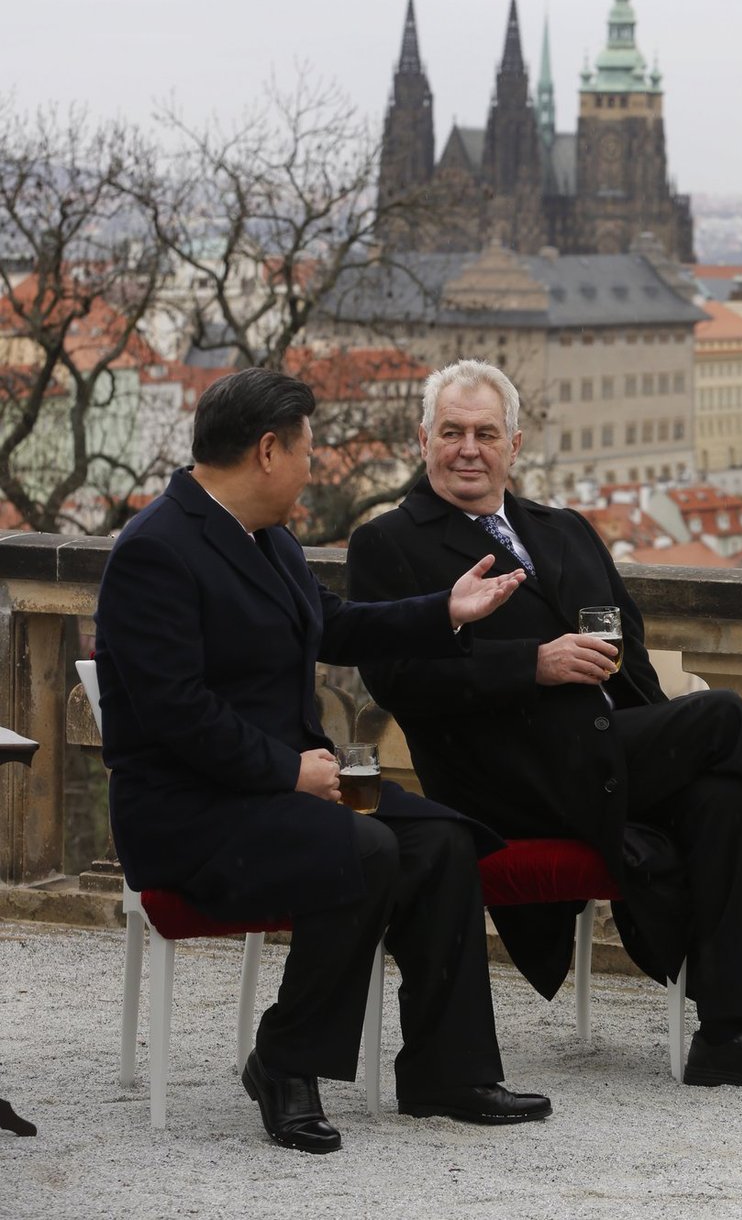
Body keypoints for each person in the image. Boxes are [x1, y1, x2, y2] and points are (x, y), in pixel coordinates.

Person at [347, 359, 742, 1100]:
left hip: (599, 753)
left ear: (515, 443)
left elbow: (629, 657)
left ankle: (726, 1034)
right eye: (451, 432)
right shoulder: (389, 544)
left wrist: (655, 746)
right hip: (500, 777)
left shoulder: (564, 530)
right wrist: (531, 663)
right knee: (727, 716)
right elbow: (398, 681)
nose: (468, 448)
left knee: (721, 796)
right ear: (423, 440)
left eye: (484, 432)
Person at [95, 367, 551, 1155]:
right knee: (365, 847)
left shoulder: (263, 536)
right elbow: (175, 712)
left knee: (441, 842)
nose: (314, 467)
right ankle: (286, 1062)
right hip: (189, 813)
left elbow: (330, 625)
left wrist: (446, 608)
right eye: (308, 451)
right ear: (268, 451)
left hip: (279, 796)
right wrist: (288, 771)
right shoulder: (155, 551)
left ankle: (449, 1071)